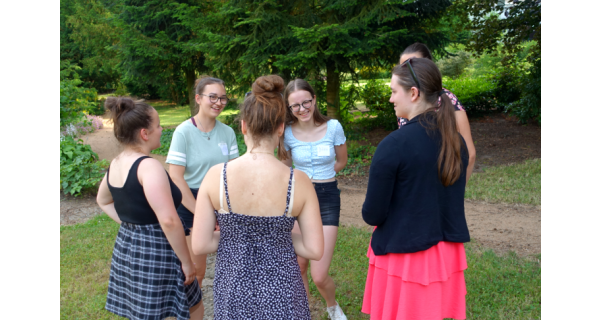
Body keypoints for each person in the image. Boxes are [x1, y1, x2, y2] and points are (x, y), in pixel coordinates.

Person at [191, 75, 325, 319]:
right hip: (283, 293)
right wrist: (276, 235)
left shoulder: (215, 177)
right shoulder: (299, 181)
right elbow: (314, 249)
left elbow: (200, 244)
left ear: (243, 126)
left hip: (233, 293)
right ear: (281, 127)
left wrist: (237, 234)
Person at [361, 58, 470, 320]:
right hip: (444, 253)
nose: (390, 99)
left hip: (405, 255)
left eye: (393, 91)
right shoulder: (456, 142)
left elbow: (373, 214)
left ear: (413, 93)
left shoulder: (393, 145)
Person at [96, 97, 203, 320]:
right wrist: (186, 262)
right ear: (145, 133)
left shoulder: (116, 162)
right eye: (158, 125)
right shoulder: (149, 166)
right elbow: (169, 221)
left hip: (129, 246)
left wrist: (132, 225)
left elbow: (103, 200)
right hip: (159, 248)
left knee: (149, 311)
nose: (161, 129)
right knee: (191, 306)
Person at [281, 78, 349, 320]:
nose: (302, 109)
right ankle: (303, 313)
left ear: (314, 100)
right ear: (288, 109)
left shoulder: (333, 127)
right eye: (295, 106)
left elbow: (341, 161)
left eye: (305, 102)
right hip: (298, 199)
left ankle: (331, 305)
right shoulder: (286, 132)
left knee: (319, 274)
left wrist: (323, 177)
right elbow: (286, 166)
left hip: (327, 196)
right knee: (299, 265)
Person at [167, 76, 240, 288]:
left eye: (223, 98)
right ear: (198, 98)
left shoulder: (227, 132)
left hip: (221, 202)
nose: (219, 102)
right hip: (190, 201)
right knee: (196, 270)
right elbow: (175, 177)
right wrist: (201, 211)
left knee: (231, 264)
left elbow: (233, 172)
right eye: (213, 97)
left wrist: (223, 209)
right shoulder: (183, 132)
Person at [398, 42, 477, 182]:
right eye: (403, 67)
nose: (407, 72)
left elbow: (469, 154)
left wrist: (454, 194)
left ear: (428, 65)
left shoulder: (447, 99)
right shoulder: (405, 102)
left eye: (412, 64)